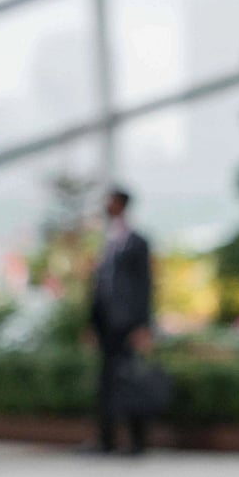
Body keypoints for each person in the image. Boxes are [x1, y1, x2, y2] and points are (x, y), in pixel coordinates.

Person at [88, 187, 154, 454]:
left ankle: (137, 441)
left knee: (131, 379)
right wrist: (92, 323)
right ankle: (107, 440)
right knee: (106, 382)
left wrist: (143, 325)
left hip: (128, 324)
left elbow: (145, 285)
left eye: (111, 201)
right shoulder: (106, 238)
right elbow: (99, 286)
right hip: (106, 325)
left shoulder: (137, 241)